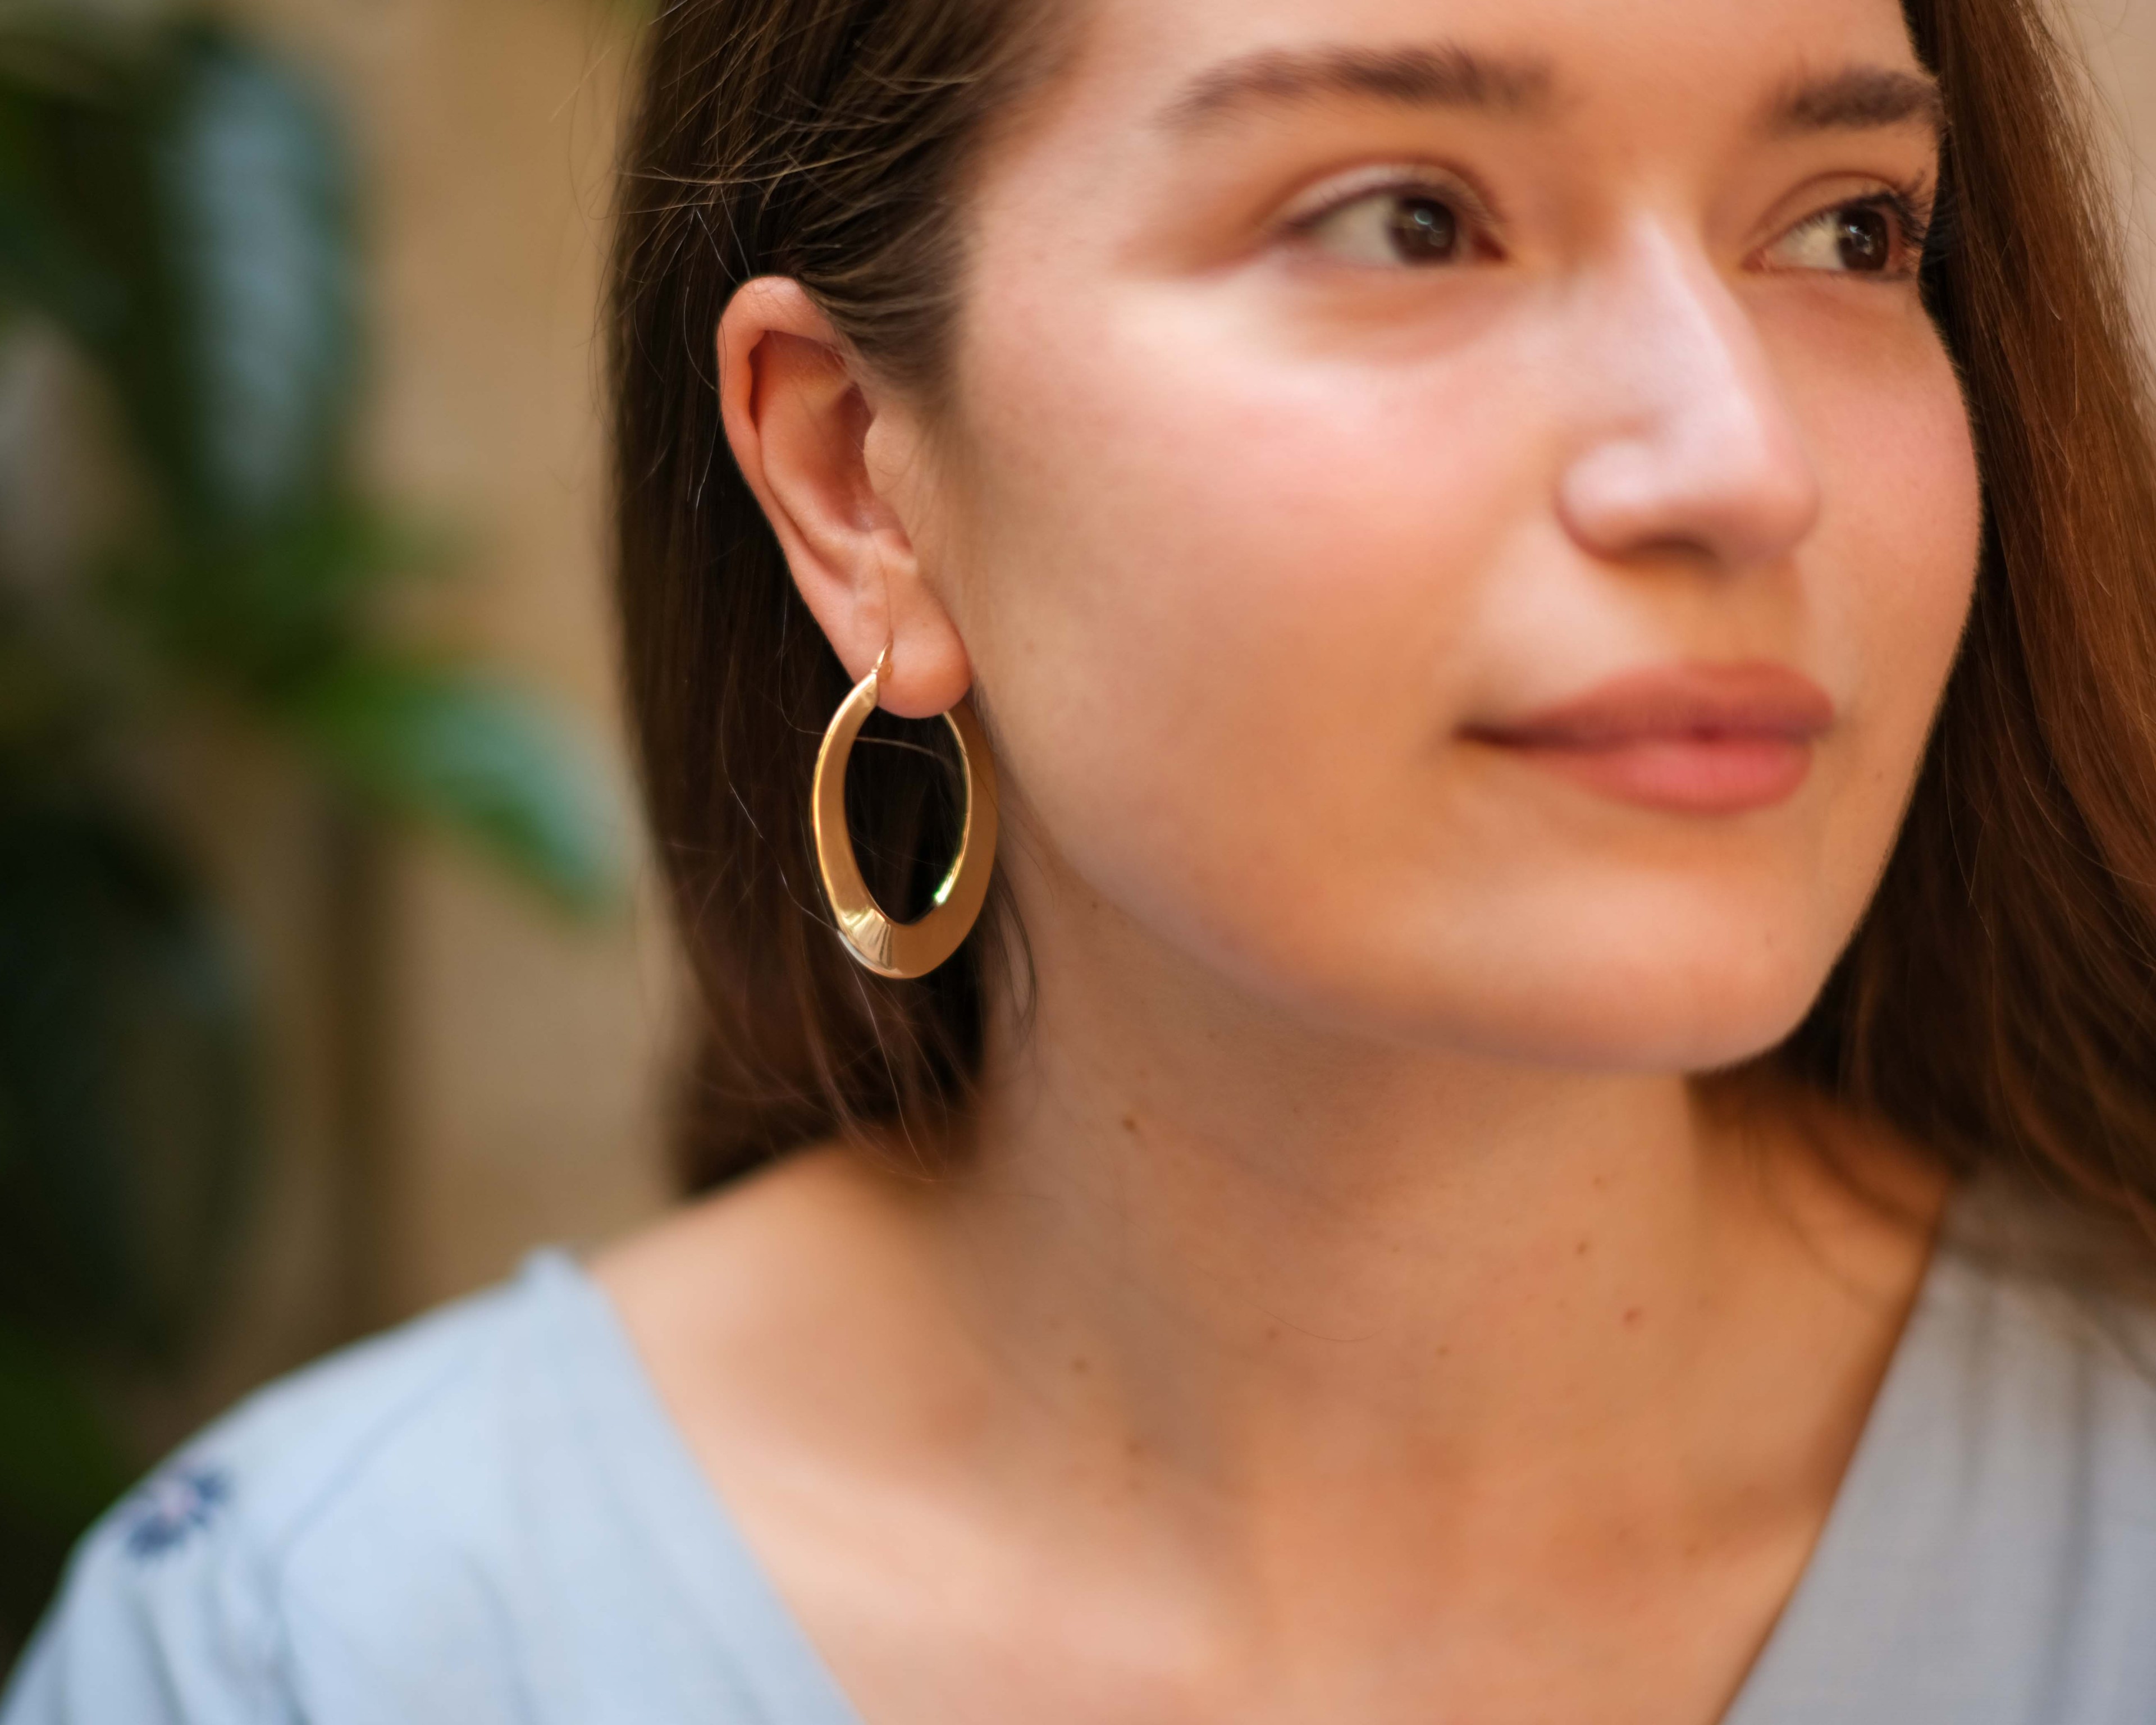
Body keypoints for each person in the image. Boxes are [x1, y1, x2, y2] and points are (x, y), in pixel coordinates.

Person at [13, 0, 2156, 1716]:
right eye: (1410, 218)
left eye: (1849, 228)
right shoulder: (323, 1651)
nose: (1741, 464)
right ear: (860, 474)